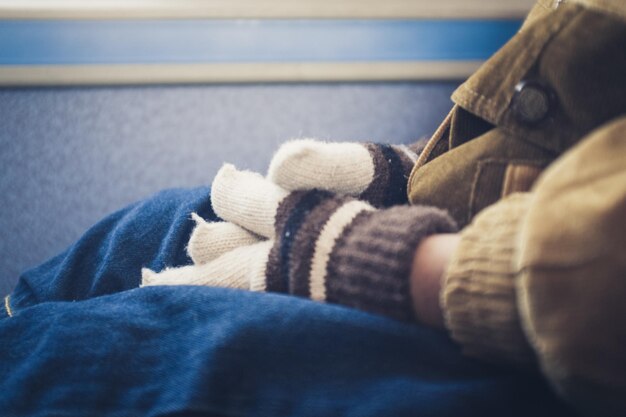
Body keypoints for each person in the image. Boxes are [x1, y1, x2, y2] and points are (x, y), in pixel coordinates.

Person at [2, 0, 624, 415]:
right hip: (509, 226)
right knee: (160, 225)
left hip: (556, 329)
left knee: (113, 350)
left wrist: (382, 264)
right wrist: (410, 174)